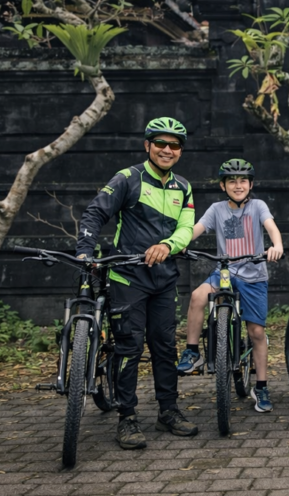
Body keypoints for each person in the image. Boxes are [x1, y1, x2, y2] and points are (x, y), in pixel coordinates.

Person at [76, 117, 198, 450]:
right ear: (148, 146)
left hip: (164, 279)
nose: (167, 150)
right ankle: (127, 418)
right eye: (160, 143)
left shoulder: (182, 187)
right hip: (127, 277)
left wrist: (167, 246)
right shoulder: (128, 179)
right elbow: (94, 213)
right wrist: (85, 252)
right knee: (129, 348)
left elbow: (186, 229)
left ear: (180, 151)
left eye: (174, 145)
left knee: (163, 347)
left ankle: (168, 411)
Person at [176, 158, 284, 413]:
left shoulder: (258, 206)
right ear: (223, 185)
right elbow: (196, 229)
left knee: (256, 332)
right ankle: (192, 352)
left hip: (254, 276)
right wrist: (179, 243)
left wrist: (276, 245)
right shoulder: (216, 209)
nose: (238, 185)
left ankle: (261, 386)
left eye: (243, 181)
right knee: (197, 296)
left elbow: (272, 227)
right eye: (232, 181)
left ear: (251, 184)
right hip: (224, 272)